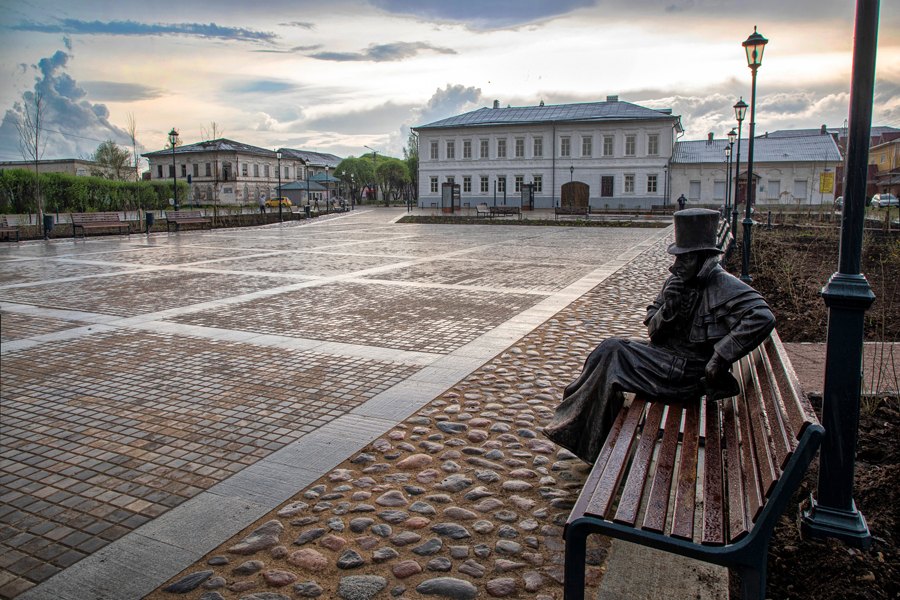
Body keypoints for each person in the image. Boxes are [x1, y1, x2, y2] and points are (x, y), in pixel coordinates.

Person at [543, 209, 775, 464]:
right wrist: (669, 309)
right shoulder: (675, 283)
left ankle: (584, 436)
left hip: (689, 375)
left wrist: (720, 356)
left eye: (683, 260)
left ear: (702, 258)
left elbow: (764, 317)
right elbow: (654, 334)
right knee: (608, 353)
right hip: (669, 362)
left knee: (612, 355)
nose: (675, 266)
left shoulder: (724, 284)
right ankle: (590, 437)